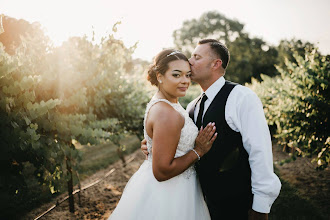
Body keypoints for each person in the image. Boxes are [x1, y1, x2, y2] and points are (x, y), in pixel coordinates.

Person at [141, 39, 281, 219]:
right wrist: (153, 145)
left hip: (237, 203)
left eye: (196, 57)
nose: (189, 61)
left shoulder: (241, 97)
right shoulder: (191, 106)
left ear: (216, 64)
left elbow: (260, 151)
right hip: (200, 201)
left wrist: (261, 206)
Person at [109, 49, 218, 220]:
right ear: (160, 76)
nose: (185, 81)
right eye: (176, 75)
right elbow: (161, 172)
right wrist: (199, 151)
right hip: (170, 193)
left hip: (179, 186)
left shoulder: (166, 103)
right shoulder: (167, 112)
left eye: (188, 75)